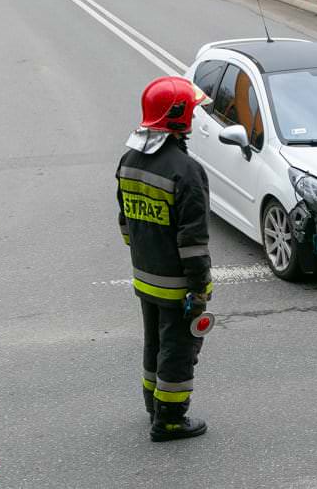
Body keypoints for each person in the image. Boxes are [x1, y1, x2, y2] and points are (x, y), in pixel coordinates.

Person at [116, 76, 214, 442]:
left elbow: (126, 222)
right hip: (176, 284)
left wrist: (145, 254)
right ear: (180, 117)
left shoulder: (129, 159)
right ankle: (170, 419)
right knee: (178, 349)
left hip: (144, 275)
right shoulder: (186, 171)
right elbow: (193, 240)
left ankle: (152, 403)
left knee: (154, 342)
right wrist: (199, 286)